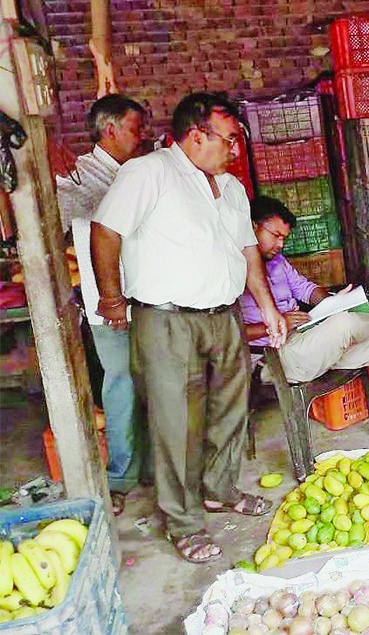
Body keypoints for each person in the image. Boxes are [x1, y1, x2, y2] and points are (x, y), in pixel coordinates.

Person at [91, 92, 288, 564]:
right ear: (197, 136)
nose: (236, 148)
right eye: (231, 138)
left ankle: (218, 490)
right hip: (167, 319)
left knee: (230, 408)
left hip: (224, 316)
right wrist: (111, 297)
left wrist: (267, 307)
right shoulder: (149, 173)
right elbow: (105, 230)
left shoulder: (233, 189)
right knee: (176, 421)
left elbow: (247, 254)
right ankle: (183, 522)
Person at [240, 196, 369, 452]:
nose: (280, 244)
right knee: (342, 324)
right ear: (253, 227)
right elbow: (230, 334)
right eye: (275, 235)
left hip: (310, 344)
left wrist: (332, 301)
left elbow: (306, 290)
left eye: (284, 238)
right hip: (276, 358)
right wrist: (277, 323)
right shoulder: (232, 272)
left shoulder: (278, 263)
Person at [56, 94, 149, 516]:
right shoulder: (79, 179)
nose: (140, 136)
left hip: (146, 293)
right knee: (121, 387)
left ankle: (149, 467)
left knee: (151, 382)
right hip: (108, 303)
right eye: (134, 128)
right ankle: (121, 476)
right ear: (109, 129)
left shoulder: (135, 172)